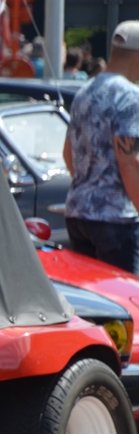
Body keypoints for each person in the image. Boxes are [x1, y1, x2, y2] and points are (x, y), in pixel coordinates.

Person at [63, 20, 139, 274]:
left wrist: (90, 189)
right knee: (125, 295)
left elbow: (68, 153)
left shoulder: (84, 91)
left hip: (77, 214)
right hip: (116, 218)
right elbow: (129, 161)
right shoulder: (129, 96)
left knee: (89, 296)